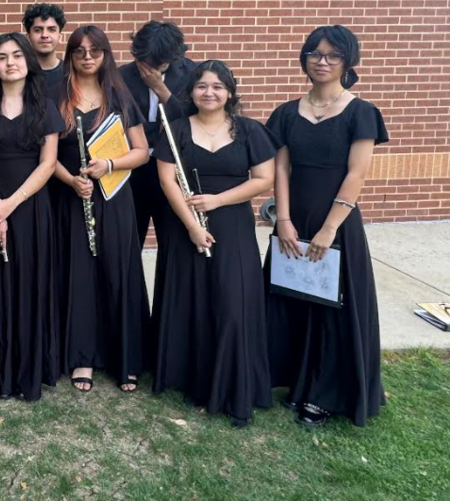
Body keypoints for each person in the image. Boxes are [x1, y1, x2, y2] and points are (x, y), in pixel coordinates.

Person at [265, 26, 388, 428]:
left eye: (333, 56)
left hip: (336, 226)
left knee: (331, 307)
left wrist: (330, 228)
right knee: (288, 300)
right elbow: (281, 168)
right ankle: (288, 380)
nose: (322, 61)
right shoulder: (286, 112)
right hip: (291, 222)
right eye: (315, 53)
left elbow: (356, 174)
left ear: (347, 63)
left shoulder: (361, 112)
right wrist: (282, 220)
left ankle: (324, 394)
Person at [153, 60, 277, 427]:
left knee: (232, 300)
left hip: (233, 223)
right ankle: (192, 379)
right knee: (192, 300)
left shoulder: (249, 130)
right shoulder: (175, 130)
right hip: (185, 225)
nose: (210, 92)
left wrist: (219, 200)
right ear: (191, 92)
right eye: (202, 86)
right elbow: (167, 180)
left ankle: (231, 381)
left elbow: (264, 179)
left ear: (229, 92)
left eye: (218, 86)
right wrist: (192, 225)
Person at [52, 25, 151, 393]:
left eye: (95, 51)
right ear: (71, 56)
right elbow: (43, 154)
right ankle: (83, 356)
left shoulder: (120, 96)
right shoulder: (56, 95)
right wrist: (70, 180)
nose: (88, 57)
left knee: (117, 272)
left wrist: (110, 165)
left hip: (114, 197)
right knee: (79, 275)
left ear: (106, 55)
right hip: (71, 197)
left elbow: (141, 152)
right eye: (80, 51)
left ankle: (125, 358)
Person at [0, 32, 64, 402]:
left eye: (17, 56)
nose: (10, 63)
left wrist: (10, 205)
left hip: (31, 207)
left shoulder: (45, 106)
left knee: (29, 285)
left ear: (28, 62)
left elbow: (48, 163)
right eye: (2, 57)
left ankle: (27, 371)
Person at [118, 20, 197, 248]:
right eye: (145, 61)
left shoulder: (192, 73)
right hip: (133, 168)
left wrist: (161, 89)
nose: (150, 67)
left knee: (173, 239)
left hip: (174, 167)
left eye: (159, 63)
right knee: (129, 239)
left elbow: (190, 121)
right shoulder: (122, 75)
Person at [22, 3, 68, 96]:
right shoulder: (19, 73)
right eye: (38, 30)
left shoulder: (70, 73)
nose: (44, 35)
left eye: (51, 29)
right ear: (28, 37)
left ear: (60, 37)